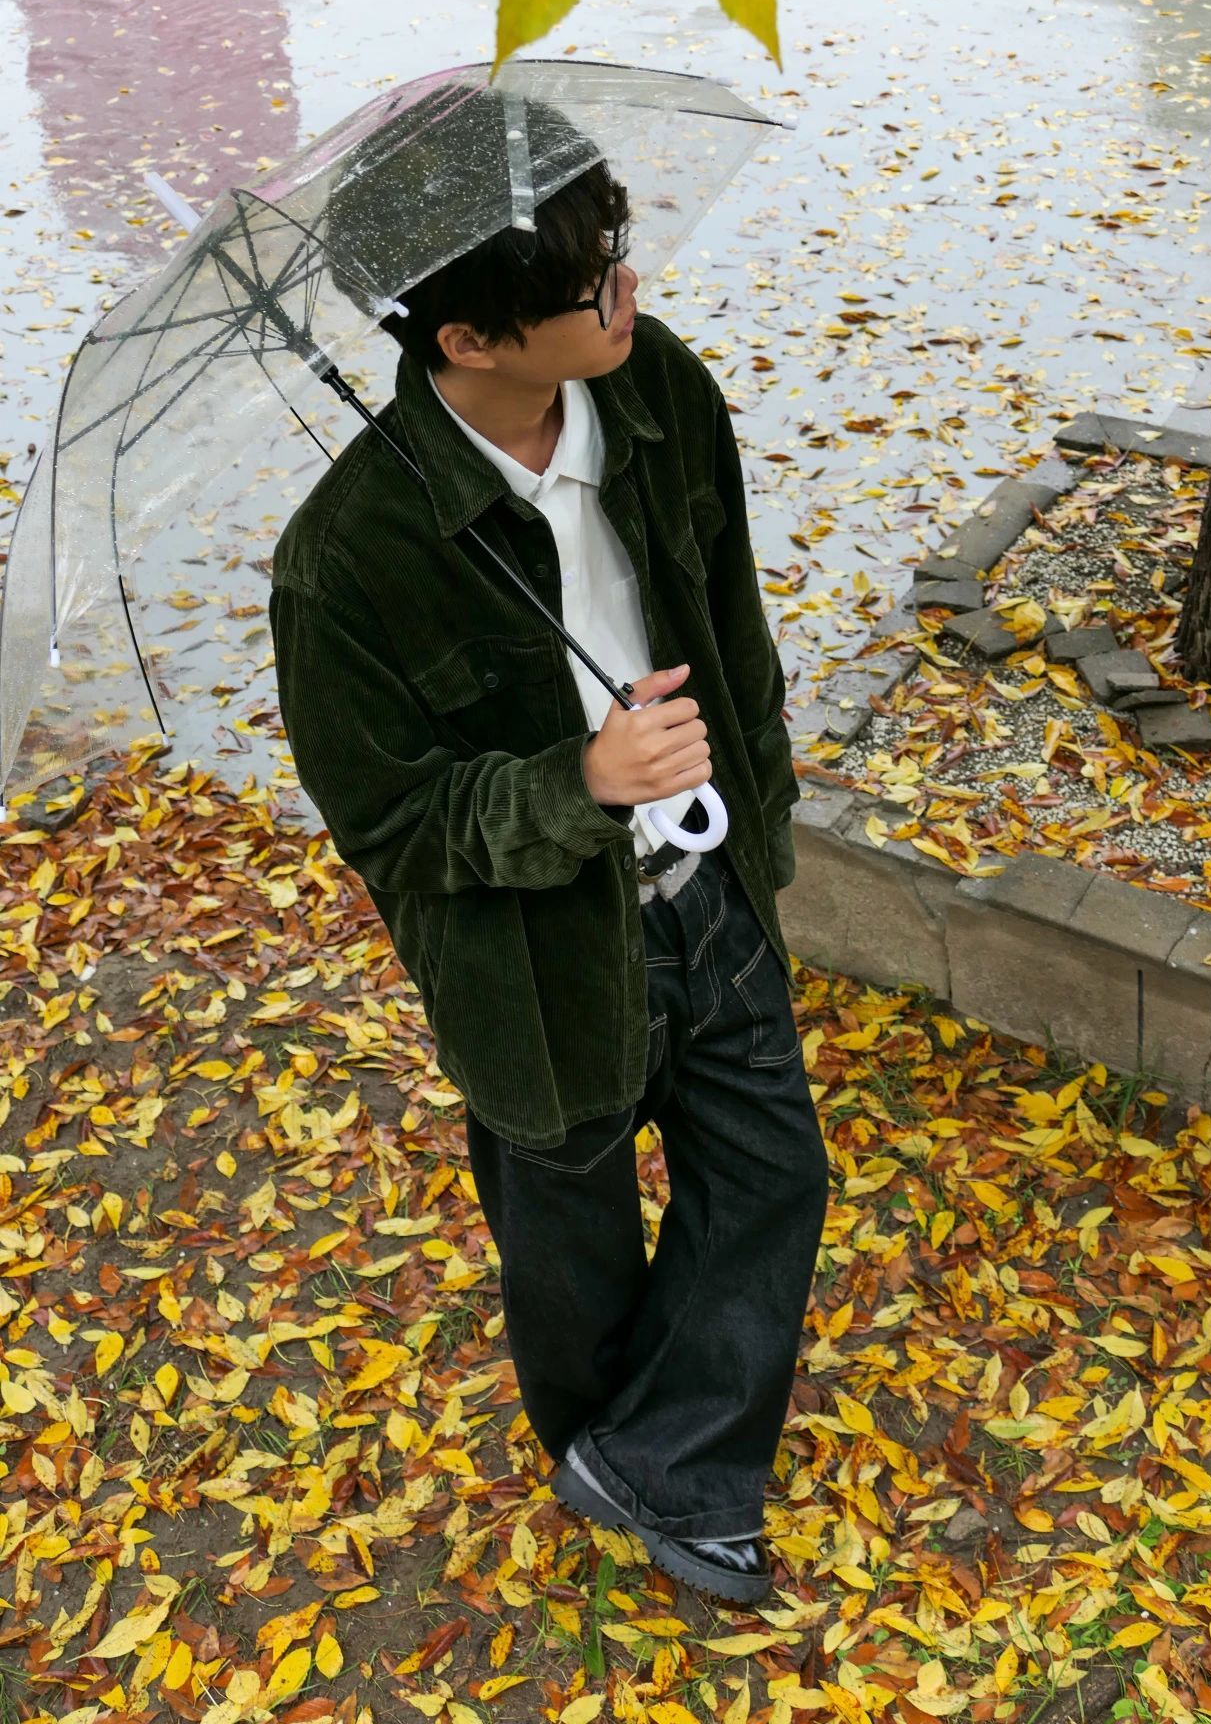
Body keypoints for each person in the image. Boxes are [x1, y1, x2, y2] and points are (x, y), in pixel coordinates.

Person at [268, 90, 830, 1606]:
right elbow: (393, 825)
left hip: (706, 886)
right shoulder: (346, 561)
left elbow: (737, 639)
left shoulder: (663, 397)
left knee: (774, 1177)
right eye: (589, 283)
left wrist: (760, 840)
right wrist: (580, 781)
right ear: (469, 338)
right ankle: (615, 1456)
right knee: (572, 1243)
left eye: (616, 247)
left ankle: (655, 1461)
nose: (626, 290)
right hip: (532, 961)